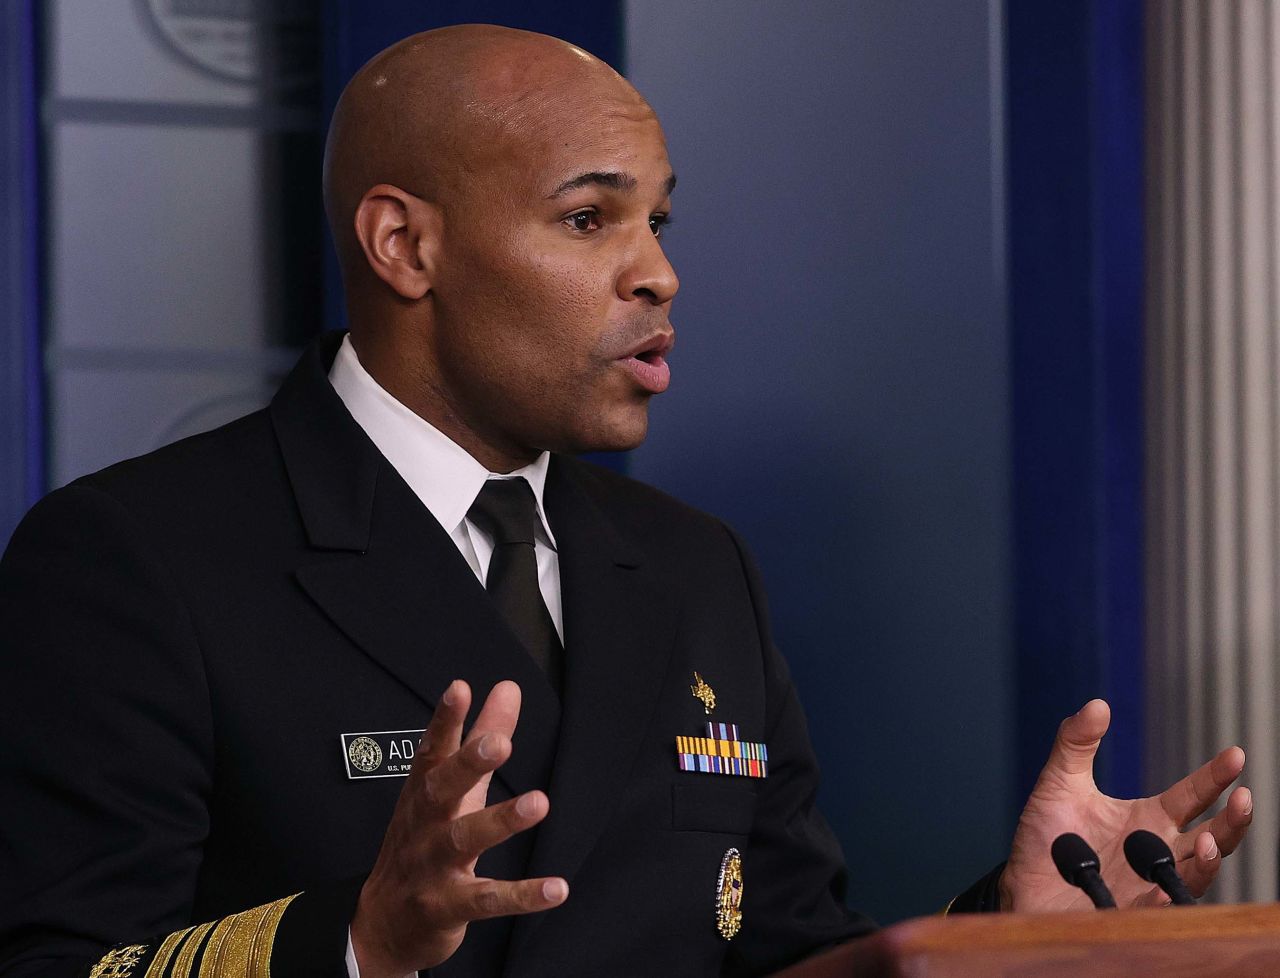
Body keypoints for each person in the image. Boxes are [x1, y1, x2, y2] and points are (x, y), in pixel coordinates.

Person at [0, 24, 1253, 978]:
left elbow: (780, 952)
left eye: (655, 221)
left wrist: (1007, 930)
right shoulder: (133, 557)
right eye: (588, 218)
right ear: (404, 246)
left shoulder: (694, 567)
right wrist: (363, 943)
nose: (655, 272)